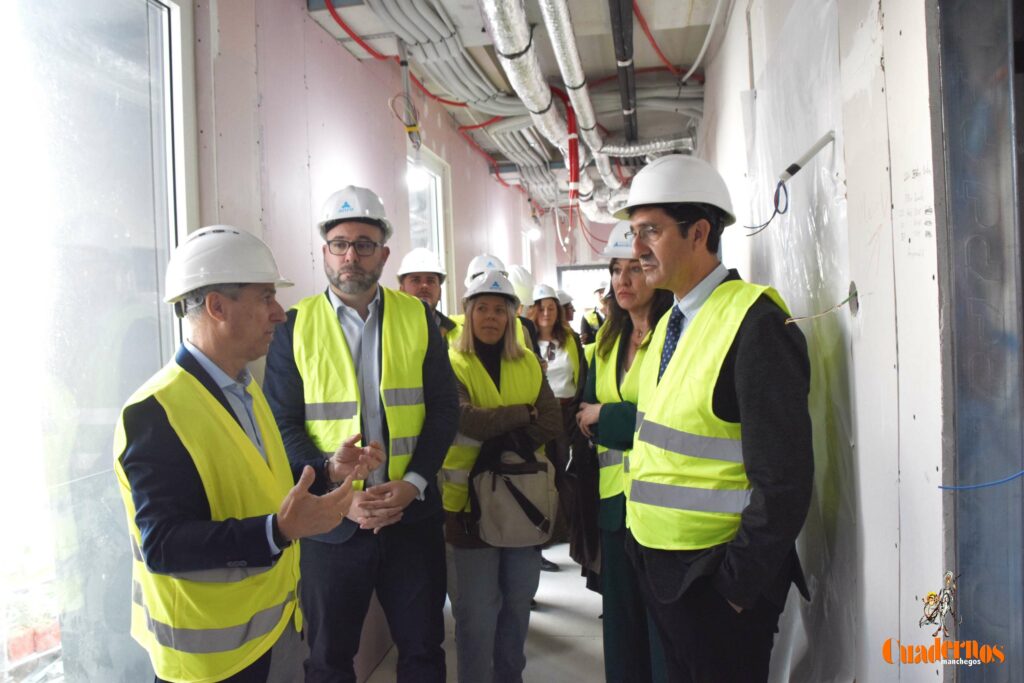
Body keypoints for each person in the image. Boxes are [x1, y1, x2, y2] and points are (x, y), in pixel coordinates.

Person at [114, 225, 381, 683]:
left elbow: (262, 480)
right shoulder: (155, 412)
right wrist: (277, 532)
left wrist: (327, 468)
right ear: (217, 306)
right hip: (209, 663)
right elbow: (164, 544)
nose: (279, 314)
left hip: (271, 630)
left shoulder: (243, 387)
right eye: (265, 298)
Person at [618, 154, 814, 682]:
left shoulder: (756, 325)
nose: (636, 251)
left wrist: (734, 589)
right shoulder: (671, 322)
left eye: (651, 232)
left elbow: (786, 481)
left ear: (699, 231)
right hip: (661, 563)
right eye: (635, 233)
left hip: (714, 578)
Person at [263, 186, 459, 683]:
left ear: (384, 253)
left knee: (422, 652)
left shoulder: (420, 318)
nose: (351, 255)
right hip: (331, 527)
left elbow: (442, 411)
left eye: (365, 243)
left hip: (409, 518)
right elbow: (282, 423)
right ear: (325, 251)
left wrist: (413, 483)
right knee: (328, 660)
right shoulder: (293, 327)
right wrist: (336, 495)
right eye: (340, 243)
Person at [440, 271, 562, 683]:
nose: (490, 318)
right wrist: (521, 415)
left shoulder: (527, 362)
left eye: (499, 310)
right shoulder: (451, 361)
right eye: (482, 309)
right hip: (466, 508)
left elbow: (551, 420)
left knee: (516, 606)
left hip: (523, 506)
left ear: (511, 317)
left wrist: (504, 432)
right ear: (468, 313)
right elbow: (466, 419)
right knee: (475, 615)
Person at [576, 221, 672, 683]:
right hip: (615, 506)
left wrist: (607, 418)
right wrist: (604, 420)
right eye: (616, 269)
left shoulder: (677, 336)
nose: (623, 281)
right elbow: (584, 417)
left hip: (664, 506)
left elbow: (673, 422)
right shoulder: (605, 345)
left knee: (663, 633)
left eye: (635, 268)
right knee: (621, 629)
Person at [397, 247, 457, 339]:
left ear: (440, 292)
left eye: (431, 280)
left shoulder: (458, 335)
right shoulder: (387, 331)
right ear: (402, 291)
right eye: (416, 280)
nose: (424, 285)